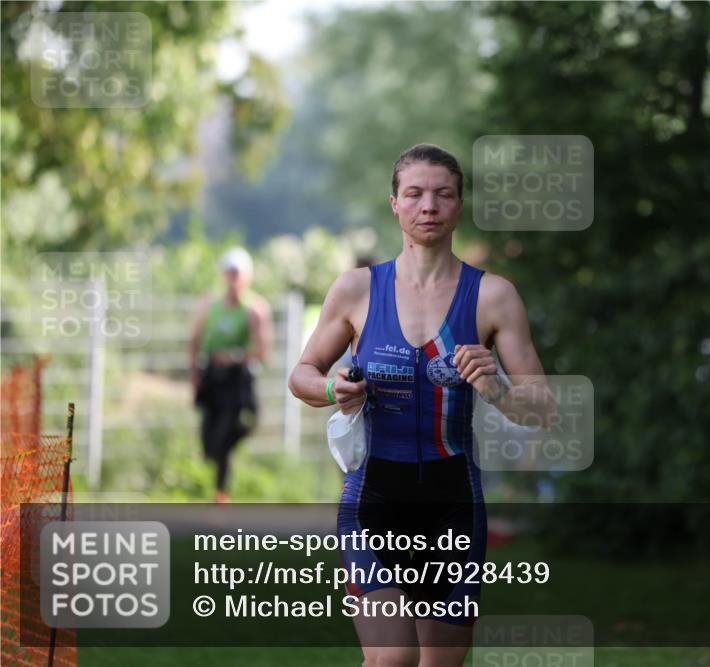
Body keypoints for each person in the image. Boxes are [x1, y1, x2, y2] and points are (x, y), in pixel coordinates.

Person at [288, 144, 555, 667]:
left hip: (453, 497)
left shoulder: (493, 297)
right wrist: (331, 388)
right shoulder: (357, 290)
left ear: (459, 205)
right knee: (392, 660)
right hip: (372, 497)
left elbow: (542, 407)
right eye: (414, 194)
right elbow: (302, 375)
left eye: (443, 194)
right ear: (395, 204)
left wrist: (496, 387)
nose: (428, 206)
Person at [189, 247, 273, 504]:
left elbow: (262, 352)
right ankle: (215, 489)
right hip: (213, 379)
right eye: (230, 273)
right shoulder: (210, 305)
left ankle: (220, 493)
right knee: (209, 440)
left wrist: (235, 356)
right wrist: (193, 374)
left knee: (234, 429)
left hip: (238, 382)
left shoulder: (254, 309)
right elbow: (194, 341)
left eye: (238, 274)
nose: (233, 279)